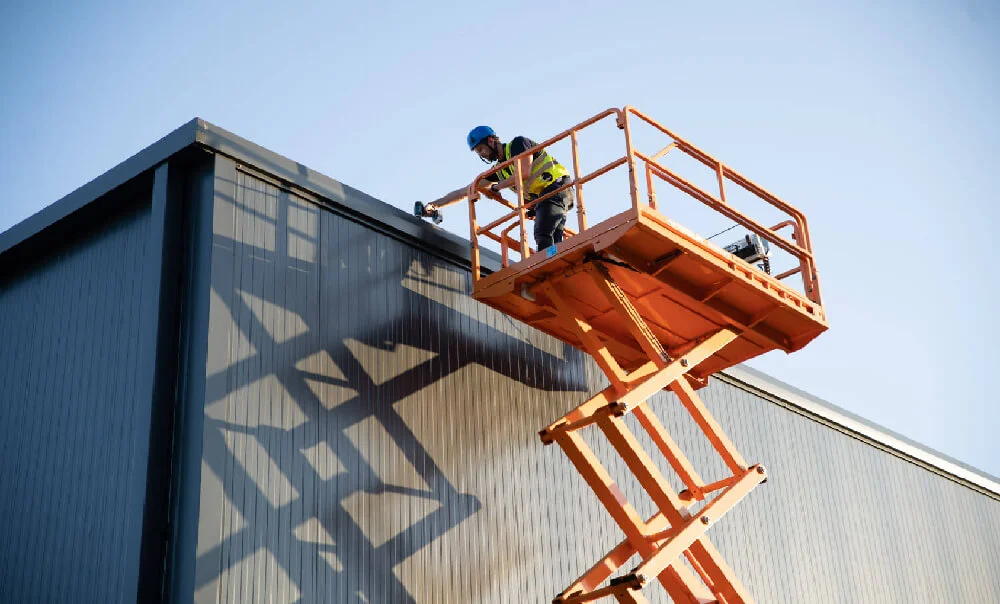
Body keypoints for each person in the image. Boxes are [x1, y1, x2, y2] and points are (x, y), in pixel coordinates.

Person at [417, 126, 574, 251]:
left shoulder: (518, 144)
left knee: (543, 233)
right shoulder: (499, 170)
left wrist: (498, 187)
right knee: (553, 237)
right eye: (478, 152)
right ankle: (558, 264)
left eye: (481, 150)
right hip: (548, 198)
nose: (482, 155)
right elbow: (465, 191)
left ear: (491, 141)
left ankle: (547, 267)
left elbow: (524, 172)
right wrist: (434, 205)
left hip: (558, 186)